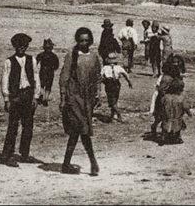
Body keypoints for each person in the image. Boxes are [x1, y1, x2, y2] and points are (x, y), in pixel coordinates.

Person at [59, 27, 102, 176]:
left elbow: (97, 77)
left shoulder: (94, 56)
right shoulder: (71, 55)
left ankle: (66, 164)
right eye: (81, 40)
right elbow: (64, 77)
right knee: (82, 129)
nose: (84, 43)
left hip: (88, 98)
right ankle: (93, 162)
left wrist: (98, 94)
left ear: (90, 41)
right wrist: (63, 97)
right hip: (74, 97)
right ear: (77, 40)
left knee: (77, 131)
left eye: (86, 40)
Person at [0, 32, 39, 167]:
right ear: (15, 46)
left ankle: (24, 154)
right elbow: (4, 80)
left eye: (24, 46)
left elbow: (36, 78)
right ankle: (7, 155)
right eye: (19, 46)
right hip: (15, 97)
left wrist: (35, 96)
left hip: (28, 95)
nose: (22, 48)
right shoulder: (8, 62)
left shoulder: (32, 60)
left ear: (27, 46)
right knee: (13, 126)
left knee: (28, 126)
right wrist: (6, 98)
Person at [100, 52, 132, 123]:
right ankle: (112, 116)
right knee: (115, 100)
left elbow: (101, 77)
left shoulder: (105, 68)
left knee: (112, 101)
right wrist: (129, 82)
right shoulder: (119, 67)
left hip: (109, 84)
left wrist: (101, 82)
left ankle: (119, 115)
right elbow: (125, 74)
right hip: (117, 84)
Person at [160, 76, 189, 145]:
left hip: (166, 118)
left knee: (165, 125)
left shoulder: (166, 97)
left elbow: (161, 105)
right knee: (179, 123)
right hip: (177, 119)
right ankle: (177, 137)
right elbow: (185, 107)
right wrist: (189, 113)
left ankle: (164, 137)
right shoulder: (180, 98)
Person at [36, 39, 60, 107]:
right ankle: (45, 99)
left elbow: (35, 64)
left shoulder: (41, 55)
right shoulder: (54, 56)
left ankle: (43, 97)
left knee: (42, 85)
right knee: (47, 86)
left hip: (43, 72)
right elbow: (56, 66)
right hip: (49, 72)